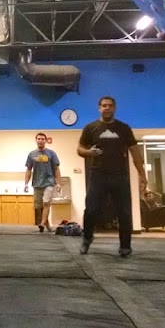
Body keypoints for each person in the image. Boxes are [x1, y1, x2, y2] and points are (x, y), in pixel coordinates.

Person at [76, 96, 148, 257]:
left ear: (114, 108)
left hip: (119, 176)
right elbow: (79, 149)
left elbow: (135, 153)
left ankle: (125, 246)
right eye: (104, 106)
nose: (107, 108)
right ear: (99, 108)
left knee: (124, 212)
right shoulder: (90, 128)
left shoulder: (124, 128)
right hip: (98, 175)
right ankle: (87, 239)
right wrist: (89, 152)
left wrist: (142, 175)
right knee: (91, 210)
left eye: (110, 106)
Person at [24, 133, 61, 232]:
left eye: (42, 139)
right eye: (39, 139)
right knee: (38, 206)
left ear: (45, 140)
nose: (40, 140)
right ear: (36, 140)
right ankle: (47, 225)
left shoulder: (51, 154)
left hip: (49, 182)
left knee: (46, 203)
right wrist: (26, 183)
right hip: (37, 183)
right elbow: (28, 169)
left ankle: (42, 223)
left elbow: (56, 169)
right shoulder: (31, 154)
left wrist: (58, 183)